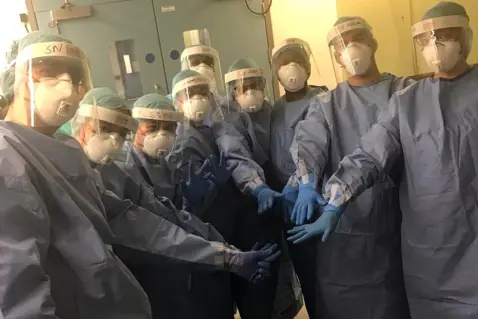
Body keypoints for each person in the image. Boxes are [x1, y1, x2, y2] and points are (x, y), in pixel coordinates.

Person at [0, 31, 280, 318]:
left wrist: (226, 256)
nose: (67, 86)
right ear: (18, 76)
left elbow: (138, 223)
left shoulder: (62, 152)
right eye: (51, 72)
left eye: (74, 77)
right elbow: (18, 291)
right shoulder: (8, 157)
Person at [287, 2, 478, 318]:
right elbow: (369, 154)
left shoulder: (404, 89)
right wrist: (334, 201)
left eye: (445, 36)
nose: (436, 46)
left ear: (465, 37)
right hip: (430, 245)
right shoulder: (407, 101)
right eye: (428, 39)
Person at [285, 16, 414, 319]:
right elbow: (309, 144)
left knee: (393, 302)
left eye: (357, 38)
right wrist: (306, 183)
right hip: (343, 229)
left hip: (398, 224)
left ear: (373, 43)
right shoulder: (326, 103)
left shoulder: (405, 91)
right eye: (341, 44)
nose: (350, 47)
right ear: (334, 56)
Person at [168, 69, 246, 319]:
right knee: (208, 302)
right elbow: (174, 203)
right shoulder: (176, 141)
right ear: (176, 100)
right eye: (189, 94)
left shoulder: (219, 129)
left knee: (224, 300)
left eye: (202, 93)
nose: (197, 99)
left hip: (227, 225)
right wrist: (195, 199)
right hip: (200, 233)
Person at [214, 57, 288, 318]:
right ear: (232, 91)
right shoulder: (227, 119)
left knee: (278, 282)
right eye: (242, 87)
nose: (250, 91)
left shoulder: (275, 111)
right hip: (248, 207)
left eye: (255, 84)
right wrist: (257, 187)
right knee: (256, 284)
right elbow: (236, 156)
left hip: (280, 203)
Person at [270, 37, 327, 318]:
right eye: (283, 63)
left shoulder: (327, 100)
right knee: (308, 278)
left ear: (308, 66)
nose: (291, 68)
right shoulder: (273, 110)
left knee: (333, 279)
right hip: (291, 209)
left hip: (323, 200)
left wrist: (303, 183)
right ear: (275, 71)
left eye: (297, 60)